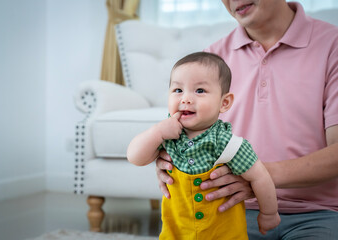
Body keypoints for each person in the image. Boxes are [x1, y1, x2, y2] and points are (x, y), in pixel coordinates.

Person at [156, 1, 338, 239]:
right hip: (229, 209)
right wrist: (168, 160)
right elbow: (184, 131)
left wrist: (255, 174)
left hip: (318, 213)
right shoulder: (213, 58)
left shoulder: (331, 44)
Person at [127, 52, 280, 239]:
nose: (185, 99)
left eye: (199, 91)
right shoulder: (166, 133)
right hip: (177, 231)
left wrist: (269, 213)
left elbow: (260, 177)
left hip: (223, 232)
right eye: (178, 90)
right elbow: (135, 157)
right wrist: (157, 132)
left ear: (224, 103)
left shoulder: (226, 142)